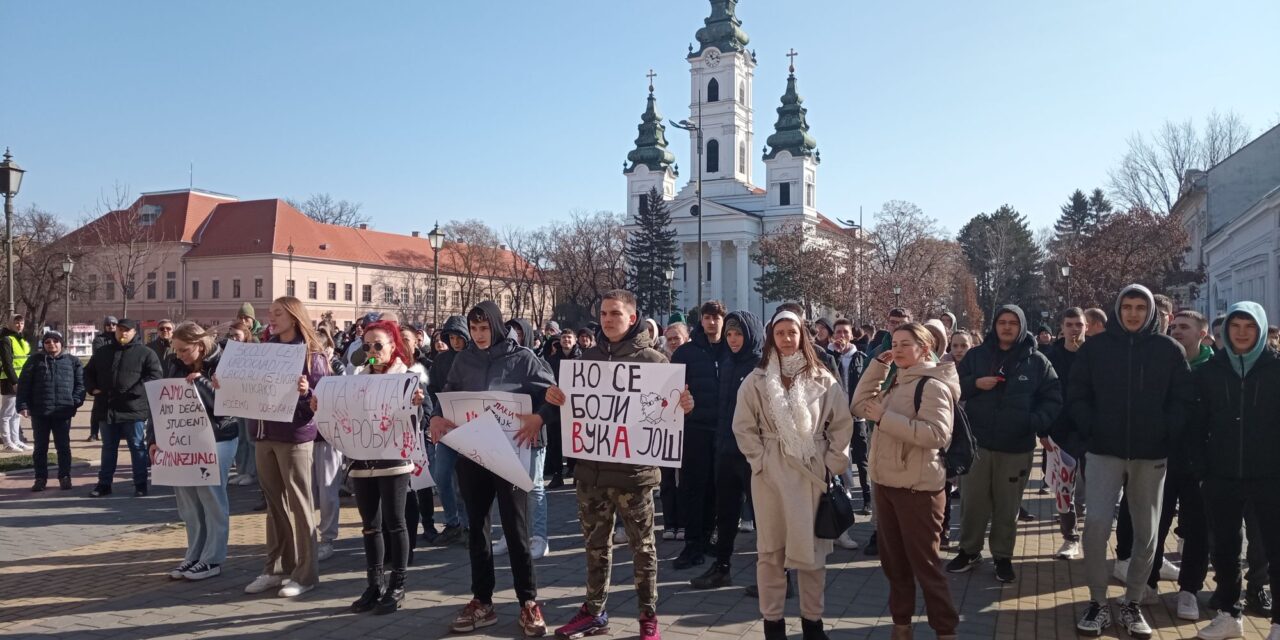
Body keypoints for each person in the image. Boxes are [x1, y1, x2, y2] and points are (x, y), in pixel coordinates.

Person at [545, 289, 691, 640]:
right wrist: (556, 398)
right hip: (590, 472)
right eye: (604, 313)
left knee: (642, 549)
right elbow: (573, 409)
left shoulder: (654, 362)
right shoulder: (586, 361)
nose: (608, 319)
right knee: (595, 548)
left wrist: (684, 404)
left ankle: (648, 616)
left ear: (632, 317)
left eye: (615, 313)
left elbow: (668, 411)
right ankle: (594, 611)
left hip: (633, 476)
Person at [1068, 285, 1191, 638]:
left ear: (1151, 311)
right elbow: (1077, 394)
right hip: (1104, 451)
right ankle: (1097, 602)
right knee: (1096, 527)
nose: (1134, 313)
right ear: (1118, 309)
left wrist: (1165, 431)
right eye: (1127, 307)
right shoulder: (1097, 348)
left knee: (1148, 533)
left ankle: (1133, 602)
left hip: (1151, 456)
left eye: (1141, 307)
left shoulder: (1169, 350)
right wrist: (1091, 429)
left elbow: (1182, 400)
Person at [429, 302, 555, 637]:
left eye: (485, 328)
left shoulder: (523, 358)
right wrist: (437, 417)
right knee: (477, 531)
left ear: (496, 326)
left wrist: (539, 418)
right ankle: (482, 600)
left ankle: (528, 602)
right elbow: (448, 397)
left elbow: (553, 395)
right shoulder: (464, 360)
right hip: (473, 454)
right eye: (474, 329)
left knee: (516, 530)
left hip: (512, 455)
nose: (479, 335)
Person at [731, 310, 852, 640]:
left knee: (813, 556)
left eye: (792, 332)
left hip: (811, 474)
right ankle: (773, 625)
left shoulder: (822, 379)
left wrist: (831, 461)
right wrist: (761, 461)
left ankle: (813, 624)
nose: (786, 338)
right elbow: (742, 427)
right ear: (772, 337)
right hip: (770, 478)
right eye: (780, 333)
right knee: (770, 554)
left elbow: (842, 424)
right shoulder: (755, 380)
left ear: (802, 336)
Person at [852, 322, 960, 640]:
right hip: (886, 485)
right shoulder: (896, 381)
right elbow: (858, 405)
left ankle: (945, 630)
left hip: (918, 489)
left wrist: (885, 419)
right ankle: (901, 626)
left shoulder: (933, 385)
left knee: (926, 567)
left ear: (925, 349)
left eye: (905, 344)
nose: (897, 349)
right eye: (894, 343)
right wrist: (877, 364)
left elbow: (937, 434)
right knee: (894, 565)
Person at [313, 319, 427, 614]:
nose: (373, 351)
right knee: (370, 526)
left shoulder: (408, 378)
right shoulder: (356, 380)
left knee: (395, 521)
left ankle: (397, 584)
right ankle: (374, 584)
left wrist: (417, 404)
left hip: (393, 462)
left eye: (379, 345)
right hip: (362, 461)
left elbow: (422, 420)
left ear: (393, 347)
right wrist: (320, 406)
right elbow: (341, 414)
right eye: (367, 346)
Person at [949, 305, 1062, 584]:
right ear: (994, 325)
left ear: (1021, 326)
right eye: (1002, 322)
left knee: (1007, 505)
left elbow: (1053, 397)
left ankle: (1002, 556)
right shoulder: (977, 356)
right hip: (978, 444)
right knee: (973, 502)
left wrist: (1032, 421)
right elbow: (953, 387)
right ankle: (969, 550)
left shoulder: (1036, 361)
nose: (1007, 327)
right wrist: (976, 383)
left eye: (1013, 322)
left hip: (1016, 446)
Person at [1190, 302, 1280, 640]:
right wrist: (1202, 469)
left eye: (1249, 327)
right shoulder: (1210, 372)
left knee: (1274, 549)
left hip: (1270, 475)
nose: (1241, 333)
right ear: (1225, 331)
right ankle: (1229, 614)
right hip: (1221, 474)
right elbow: (1196, 425)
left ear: (1260, 330)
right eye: (1235, 326)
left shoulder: (1275, 369)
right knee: (1226, 549)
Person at [237, 296, 331, 599]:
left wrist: (306, 393)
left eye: (278, 313)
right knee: (273, 506)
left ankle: (306, 574)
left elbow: (322, 402)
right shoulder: (265, 351)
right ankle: (275, 568)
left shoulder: (311, 356)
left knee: (301, 505)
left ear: (294, 316)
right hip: (263, 435)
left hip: (293, 438)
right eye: (270, 313)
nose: (271, 318)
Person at [149, 322, 240, 581]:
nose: (178, 356)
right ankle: (194, 554)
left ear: (199, 346)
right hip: (183, 441)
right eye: (175, 351)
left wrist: (201, 384)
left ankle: (213, 559)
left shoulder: (224, 362)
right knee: (187, 500)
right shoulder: (176, 364)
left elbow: (228, 405)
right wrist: (153, 440)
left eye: (183, 350)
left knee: (211, 497)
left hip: (218, 439)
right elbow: (164, 404)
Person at [692, 310, 765, 589]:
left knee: (763, 518)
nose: (733, 339)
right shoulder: (728, 361)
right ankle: (722, 567)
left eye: (739, 334)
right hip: (726, 451)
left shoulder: (760, 366)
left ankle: (776, 576)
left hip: (752, 455)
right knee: (725, 513)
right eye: (730, 334)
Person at [1151, 309, 1212, 623]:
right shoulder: (1162, 364)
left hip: (1201, 464)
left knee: (1198, 529)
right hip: (1162, 458)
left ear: (1202, 333)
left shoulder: (1214, 369)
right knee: (1154, 524)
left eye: (1184, 327)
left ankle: (1189, 589)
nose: (1176, 331)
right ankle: (1149, 581)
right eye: (1173, 326)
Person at [671, 300, 727, 569]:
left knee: (718, 490)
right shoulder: (686, 353)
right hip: (695, 430)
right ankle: (692, 544)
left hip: (725, 431)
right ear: (701, 321)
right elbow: (671, 391)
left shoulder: (731, 350)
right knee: (694, 489)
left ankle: (710, 539)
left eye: (717, 317)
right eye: (708, 317)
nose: (712, 322)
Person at [492, 318, 551, 561]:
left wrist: (537, 417)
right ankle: (512, 533)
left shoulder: (537, 362)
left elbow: (550, 396)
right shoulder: (499, 364)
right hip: (505, 434)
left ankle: (539, 537)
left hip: (532, 433)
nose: (512, 337)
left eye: (517, 332)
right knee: (508, 487)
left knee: (534, 486)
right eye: (508, 331)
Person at [86, 318, 164, 497]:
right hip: (107, 408)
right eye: (120, 330)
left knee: (137, 447)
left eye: (127, 330)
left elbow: (154, 376)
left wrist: (135, 391)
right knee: (108, 448)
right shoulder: (103, 352)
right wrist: (92, 388)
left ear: (134, 333)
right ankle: (104, 484)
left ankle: (140, 485)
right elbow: (88, 372)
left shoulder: (146, 353)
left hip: (133, 408)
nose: (123, 333)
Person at [1044, 307, 1089, 560]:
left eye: (1079, 325)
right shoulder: (1051, 356)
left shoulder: (1094, 355)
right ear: (1062, 327)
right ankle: (1070, 538)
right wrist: (1043, 431)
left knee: (1093, 486)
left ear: (1086, 327)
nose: (1074, 329)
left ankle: (1094, 538)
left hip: (1091, 432)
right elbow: (1043, 394)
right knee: (1063, 488)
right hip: (1061, 431)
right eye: (1070, 324)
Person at [16, 331, 84, 491]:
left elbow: (80, 385)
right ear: (43, 345)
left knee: (63, 447)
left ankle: (65, 476)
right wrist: (23, 405)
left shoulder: (73, 362)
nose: (51, 344)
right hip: (40, 412)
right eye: (47, 341)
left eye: (55, 341)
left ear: (61, 343)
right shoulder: (34, 361)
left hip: (63, 412)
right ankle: (40, 478)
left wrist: (74, 403)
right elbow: (24, 385)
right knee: (40, 448)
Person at [825, 318, 869, 547]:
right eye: (838, 331)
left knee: (856, 463)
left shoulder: (859, 357)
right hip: (829, 423)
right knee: (833, 473)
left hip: (854, 416)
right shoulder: (824, 356)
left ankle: (846, 527)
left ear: (852, 335)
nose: (841, 335)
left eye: (845, 332)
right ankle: (829, 530)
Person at [429, 315, 471, 545]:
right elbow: (434, 388)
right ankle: (452, 521)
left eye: (459, 337)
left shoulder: (474, 359)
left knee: (463, 479)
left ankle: (468, 524)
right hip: (445, 424)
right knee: (442, 475)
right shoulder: (442, 360)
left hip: (468, 426)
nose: (455, 342)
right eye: (451, 337)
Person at [401, 325, 438, 545]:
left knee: (421, 481)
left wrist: (424, 421)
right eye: (398, 338)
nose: (402, 342)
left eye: (406, 338)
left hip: (418, 430)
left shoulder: (422, 367)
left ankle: (429, 523)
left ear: (417, 340)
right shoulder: (390, 366)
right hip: (395, 431)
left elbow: (428, 399)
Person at [544, 327, 580, 489]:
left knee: (575, 439)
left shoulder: (582, 359)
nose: (566, 340)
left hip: (576, 407)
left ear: (575, 340)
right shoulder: (551, 360)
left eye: (569, 338)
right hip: (556, 407)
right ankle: (557, 474)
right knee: (555, 442)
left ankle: (574, 472)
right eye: (564, 338)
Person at [0, 314, 32, 451]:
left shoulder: (21, 340)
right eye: (16, 322)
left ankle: (16, 440)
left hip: (22, 380)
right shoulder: (6, 339)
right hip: (10, 380)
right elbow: (7, 363)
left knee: (16, 413)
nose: (19, 325)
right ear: (10, 323)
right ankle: (7, 442)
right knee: (7, 413)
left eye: (21, 323)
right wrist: (14, 382)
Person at [86, 316, 119, 441]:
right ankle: (94, 433)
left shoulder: (119, 338)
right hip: (101, 374)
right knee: (97, 408)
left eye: (114, 324)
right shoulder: (99, 339)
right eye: (108, 324)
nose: (111, 326)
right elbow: (99, 354)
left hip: (116, 375)